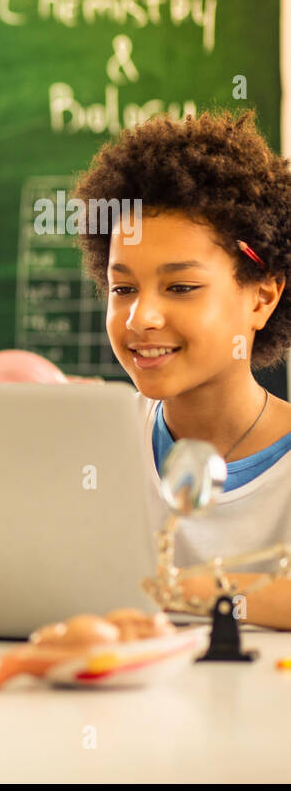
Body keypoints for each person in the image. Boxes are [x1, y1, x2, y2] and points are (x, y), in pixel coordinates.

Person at [75, 111, 291, 629]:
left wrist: (179, 591)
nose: (140, 317)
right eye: (123, 288)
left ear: (262, 298)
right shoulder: (94, 449)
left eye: (181, 288)